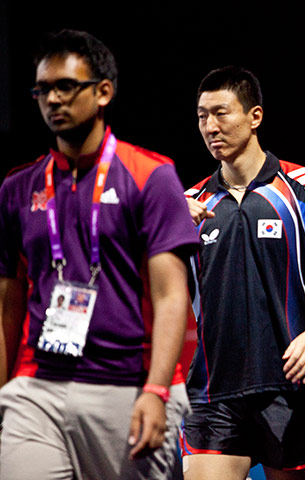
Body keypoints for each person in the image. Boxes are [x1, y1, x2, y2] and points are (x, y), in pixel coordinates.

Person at [0, 29, 199, 479]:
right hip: (38, 385)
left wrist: (157, 389)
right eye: (43, 89)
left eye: (66, 87)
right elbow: (6, 304)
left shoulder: (151, 175)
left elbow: (171, 296)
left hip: (128, 385)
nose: (53, 99)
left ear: (103, 91)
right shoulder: (18, 188)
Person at [180, 66, 305, 480]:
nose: (210, 126)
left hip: (289, 382)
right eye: (202, 116)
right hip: (213, 386)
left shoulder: (304, 187)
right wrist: (163, 226)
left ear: (254, 116)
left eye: (221, 113)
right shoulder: (189, 202)